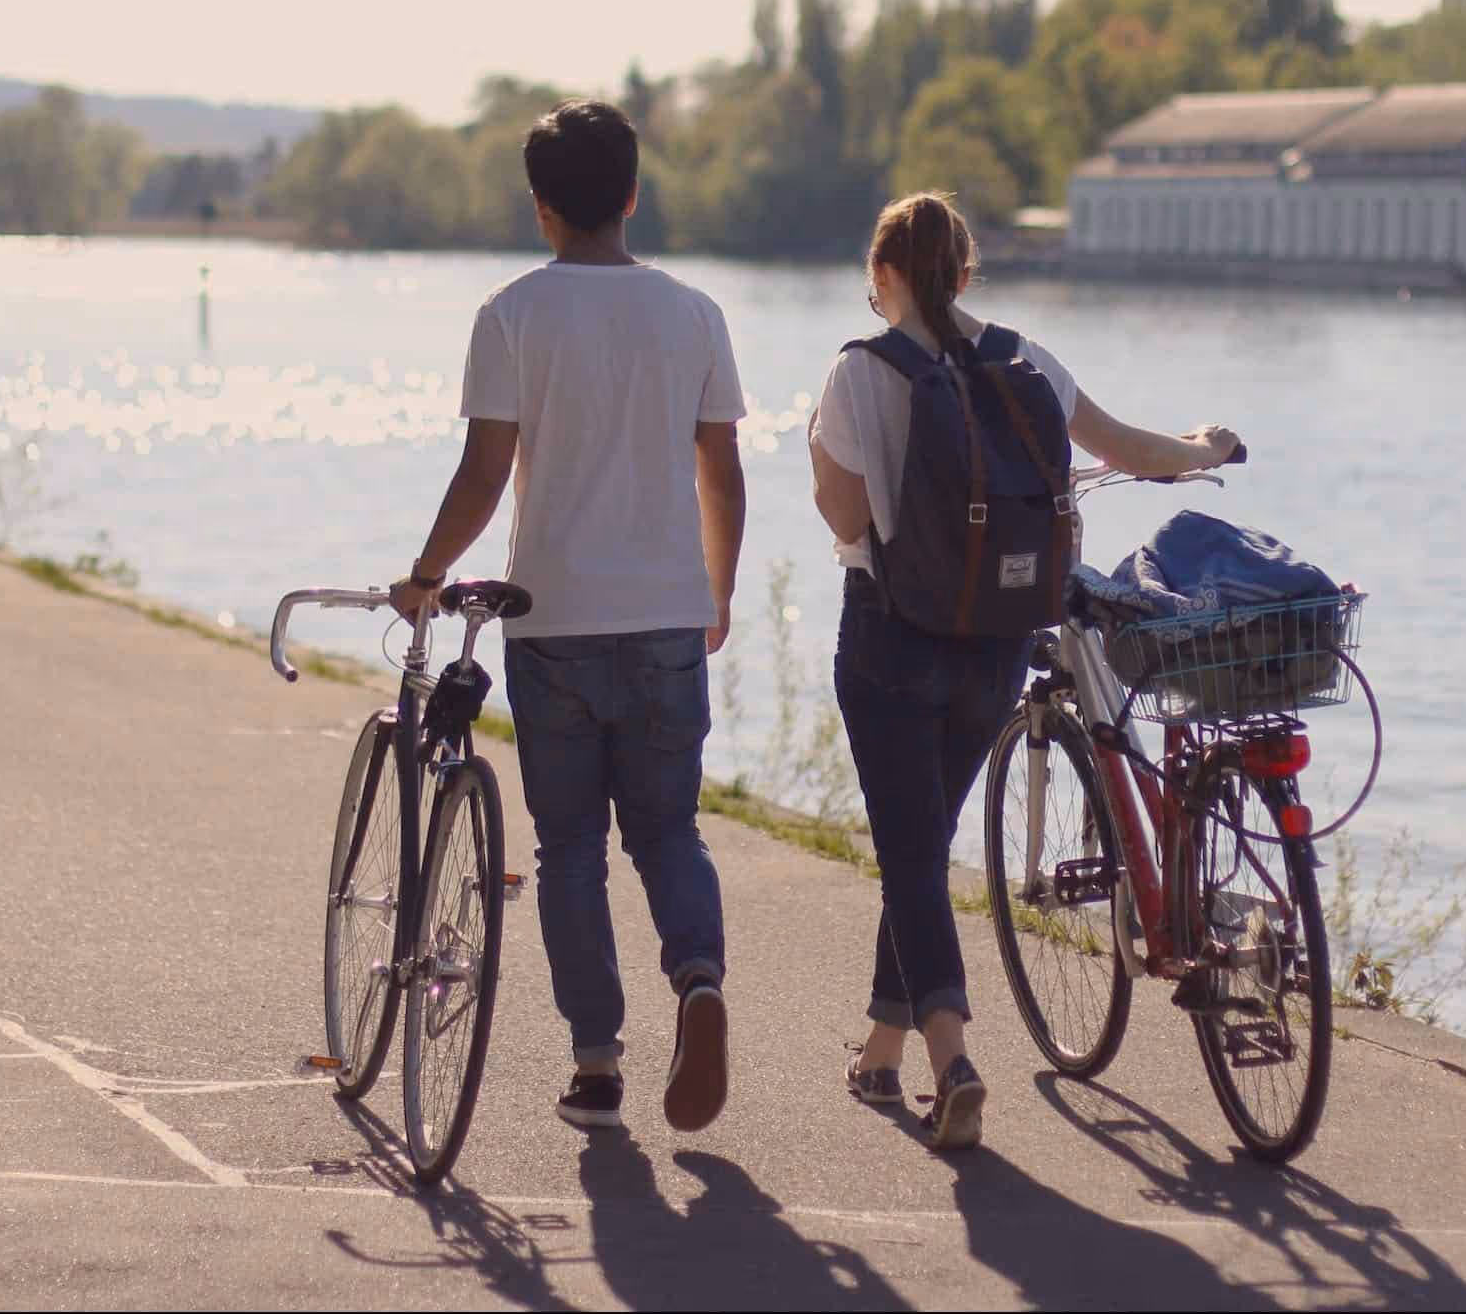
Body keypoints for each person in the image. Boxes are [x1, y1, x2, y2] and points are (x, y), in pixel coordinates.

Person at [806, 191, 1238, 1150]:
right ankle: (882, 1050)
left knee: (912, 855)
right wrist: (1207, 446)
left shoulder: (858, 374)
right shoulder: (1026, 360)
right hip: (997, 642)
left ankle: (952, 1059)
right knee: (920, 847)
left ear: (881, 278)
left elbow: (844, 522)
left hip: (891, 638)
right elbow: (1127, 449)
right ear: (964, 274)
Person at [391, 100, 747, 1135]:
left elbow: (486, 470)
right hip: (668, 615)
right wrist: (715, 589)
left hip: (552, 621)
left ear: (541, 207)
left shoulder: (512, 313)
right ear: (633, 196)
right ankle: (699, 978)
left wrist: (427, 570)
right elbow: (719, 467)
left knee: (570, 849)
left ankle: (596, 1064)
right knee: (669, 828)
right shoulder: (693, 314)